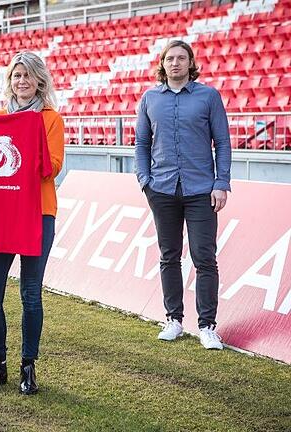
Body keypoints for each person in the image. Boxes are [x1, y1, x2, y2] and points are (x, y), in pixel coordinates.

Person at [0, 51, 64, 395]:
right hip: (1, 218)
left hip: (38, 214)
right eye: (16, 76)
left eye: (27, 75)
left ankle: (29, 366)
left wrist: (26, 138)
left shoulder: (50, 119)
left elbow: (52, 167)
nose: (21, 81)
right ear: (9, 81)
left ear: (39, 80)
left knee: (30, 295)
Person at [135, 40, 231, 350]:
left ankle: (207, 326)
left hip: (202, 190)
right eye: (169, 58)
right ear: (162, 64)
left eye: (181, 58)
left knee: (205, 259)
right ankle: (173, 320)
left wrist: (221, 183)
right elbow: (141, 145)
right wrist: (144, 181)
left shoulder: (209, 97)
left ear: (191, 63)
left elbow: (223, 143)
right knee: (169, 256)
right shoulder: (149, 99)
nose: (175, 63)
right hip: (162, 189)